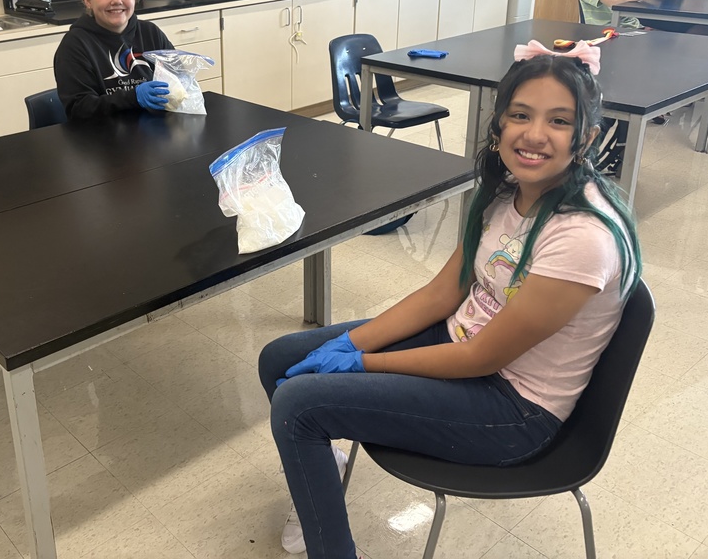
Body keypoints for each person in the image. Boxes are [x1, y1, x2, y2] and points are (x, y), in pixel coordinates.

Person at [258, 47, 641, 558]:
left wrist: (361, 362)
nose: (533, 134)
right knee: (281, 358)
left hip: (513, 409)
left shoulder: (581, 236)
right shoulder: (508, 191)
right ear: (498, 124)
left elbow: (482, 359)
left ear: (587, 136)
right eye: (520, 115)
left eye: (559, 121)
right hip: (463, 344)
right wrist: (351, 342)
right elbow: (444, 293)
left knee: (298, 406)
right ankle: (321, 470)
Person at [53, 0, 176, 120]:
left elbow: (177, 79)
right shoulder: (75, 45)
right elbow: (79, 109)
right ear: (88, 0)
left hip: (154, 129)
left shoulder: (150, 32)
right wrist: (133, 98)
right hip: (102, 136)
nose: (117, 0)